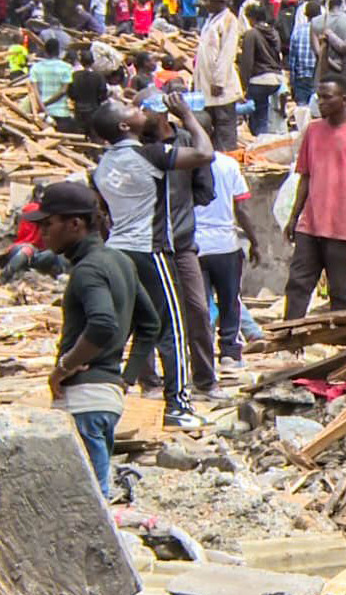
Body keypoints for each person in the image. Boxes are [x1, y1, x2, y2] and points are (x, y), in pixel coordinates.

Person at [37, 181, 159, 595]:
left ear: (76, 223)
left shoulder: (89, 271)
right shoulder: (120, 263)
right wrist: (125, 378)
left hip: (87, 396)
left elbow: (105, 325)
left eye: (48, 225)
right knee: (93, 500)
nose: (43, 233)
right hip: (105, 395)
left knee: (87, 503)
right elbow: (150, 324)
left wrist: (65, 367)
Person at [90, 95, 214, 426]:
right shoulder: (149, 156)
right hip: (151, 250)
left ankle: (104, 399)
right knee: (171, 329)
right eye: (130, 108)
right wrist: (187, 115)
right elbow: (205, 153)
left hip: (116, 250)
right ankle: (179, 406)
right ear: (124, 125)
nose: (139, 108)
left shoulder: (102, 165)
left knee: (125, 328)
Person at [139, 99, 224, 403]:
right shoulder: (137, 147)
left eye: (143, 109)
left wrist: (179, 208)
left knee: (198, 310)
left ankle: (205, 378)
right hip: (146, 244)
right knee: (148, 313)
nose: (139, 116)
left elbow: (205, 187)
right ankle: (150, 381)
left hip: (182, 241)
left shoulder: (186, 141)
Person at [282, 75, 346, 319]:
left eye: (328, 97)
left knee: (340, 291)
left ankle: (339, 348)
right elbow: (305, 177)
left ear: (345, 100)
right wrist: (294, 216)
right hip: (312, 222)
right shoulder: (314, 131)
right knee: (298, 284)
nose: (321, 102)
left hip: (344, 225)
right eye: (320, 97)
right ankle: (290, 341)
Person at [194, 150, 259, 371]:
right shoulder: (228, 164)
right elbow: (241, 208)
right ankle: (230, 353)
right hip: (225, 245)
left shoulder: (181, 164)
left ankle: (202, 356)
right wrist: (254, 241)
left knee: (199, 306)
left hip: (194, 245)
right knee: (230, 301)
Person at [194, 0, 244, 151]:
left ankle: (228, 156)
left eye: (208, 1)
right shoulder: (210, 20)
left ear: (218, 2)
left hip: (220, 85)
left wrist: (219, 81)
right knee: (211, 125)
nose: (205, 5)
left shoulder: (230, 20)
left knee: (224, 127)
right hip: (206, 85)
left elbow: (227, 54)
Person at [238, 5, 285, 138]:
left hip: (259, 79)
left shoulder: (251, 34)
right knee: (263, 112)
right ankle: (263, 139)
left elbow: (247, 61)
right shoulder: (273, 32)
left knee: (255, 116)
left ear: (251, 18)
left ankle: (257, 140)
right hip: (276, 78)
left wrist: (243, 85)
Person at [0, 186, 64, 283]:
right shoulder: (44, 213)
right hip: (28, 251)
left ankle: (6, 275)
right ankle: (6, 275)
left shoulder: (25, 210)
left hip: (20, 249)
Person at [30, 37, 75, 131]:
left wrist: (42, 105)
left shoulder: (36, 67)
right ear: (58, 51)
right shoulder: (66, 67)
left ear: (45, 51)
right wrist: (46, 103)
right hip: (61, 112)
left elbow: (34, 90)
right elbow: (63, 90)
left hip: (42, 114)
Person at [288, 0, 321, 106]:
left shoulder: (297, 32)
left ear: (306, 15)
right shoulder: (324, 31)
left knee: (302, 111)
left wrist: (292, 81)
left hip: (301, 77)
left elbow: (292, 59)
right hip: (318, 76)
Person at [69, 47, 109, 133]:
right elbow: (103, 94)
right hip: (94, 109)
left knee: (80, 135)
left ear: (81, 61)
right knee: (94, 133)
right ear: (93, 61)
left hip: (79, 109)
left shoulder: (75, 75)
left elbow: (71, 93)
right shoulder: (98, 76)